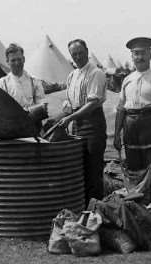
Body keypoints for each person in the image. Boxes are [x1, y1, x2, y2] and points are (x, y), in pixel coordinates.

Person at [113, 37, 151, 203]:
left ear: (150, 55)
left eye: (143, 53)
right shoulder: (127, 80)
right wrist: (117, 133)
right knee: (133, 170)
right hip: (131, 130)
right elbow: (121, 109)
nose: (139, 57)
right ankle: (137, 210)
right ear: (131, 56)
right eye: (136, 54)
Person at [52, 39, 107, 203]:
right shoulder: (72, 76)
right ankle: (83, 208)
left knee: (93, 169)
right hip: (76, 124)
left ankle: (96, 211)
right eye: (74, 54)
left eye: (80, 53)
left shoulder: (96, 73)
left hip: (92, 124)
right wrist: (59, 118)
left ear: (87, 51)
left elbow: (92, 103)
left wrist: (70, 117)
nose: (78, 57)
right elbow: (70, 104)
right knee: (79, 167)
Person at [0, 43, 46, 111]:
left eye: (19, 59)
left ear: (24, 59)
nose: (17, 63)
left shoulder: (34, 82)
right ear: (7, 62)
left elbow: (42, 105)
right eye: (13, 60)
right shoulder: (1, 84)